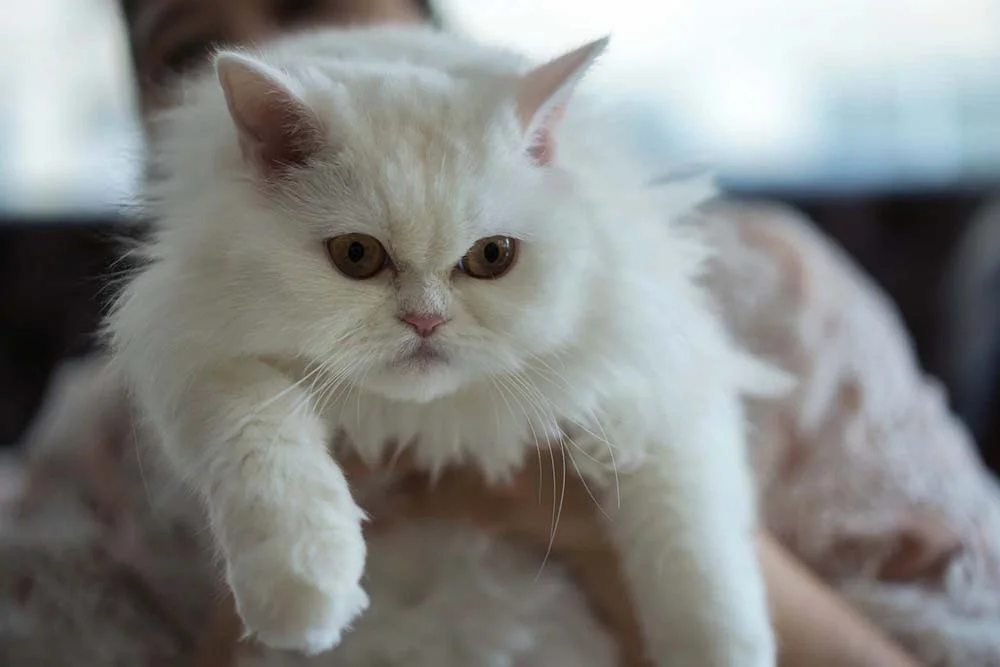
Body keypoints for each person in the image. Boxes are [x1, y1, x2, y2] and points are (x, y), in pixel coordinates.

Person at [4, 1, 1000, 665]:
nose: (428, 315)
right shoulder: (97, 451)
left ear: (431, 25)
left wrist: (607, 529)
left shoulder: (776, 293)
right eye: (191, 49)